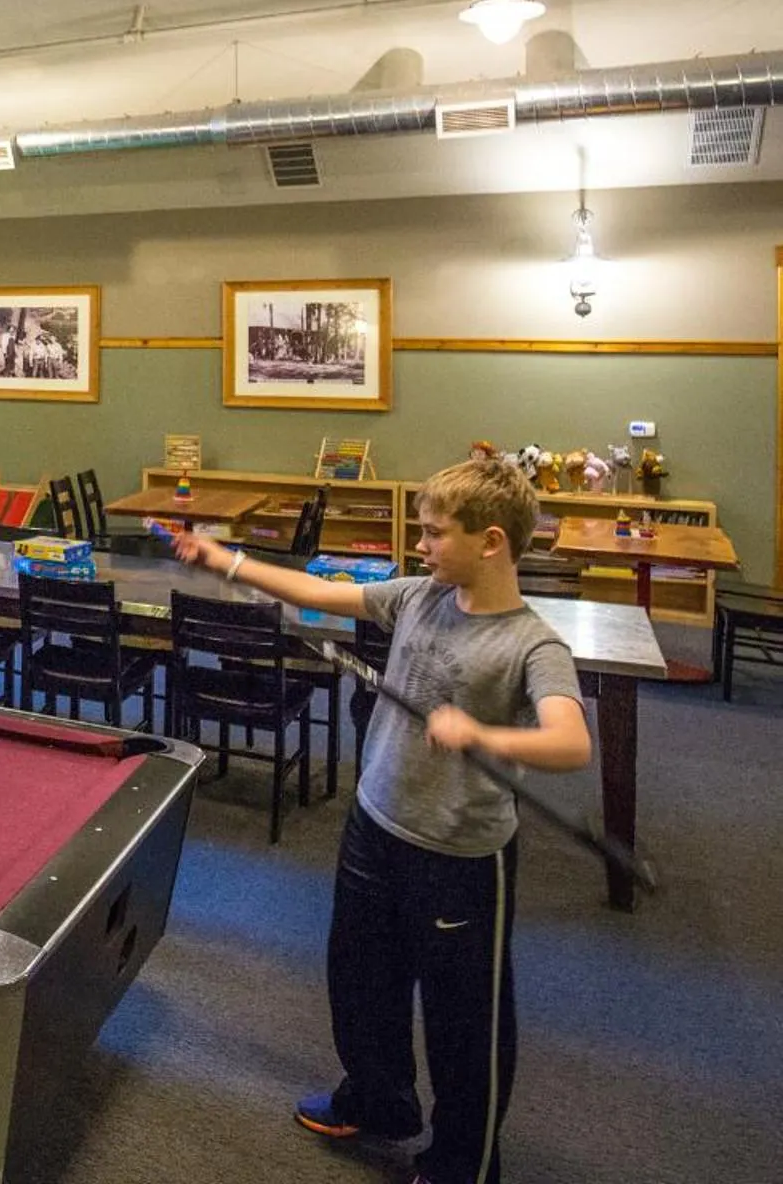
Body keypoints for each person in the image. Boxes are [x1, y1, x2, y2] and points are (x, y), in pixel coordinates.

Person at [163, 458, 591, 1184]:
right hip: (374, 825)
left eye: (433, 534)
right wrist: (227, 560)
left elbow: (570, 740)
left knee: (464, 1025)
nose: (420, 546)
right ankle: (380, 1100)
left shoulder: (531, 644)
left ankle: (464, 1163)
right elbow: (322, 591)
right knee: (360, 981)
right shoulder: (421, 597)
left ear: (491, 541)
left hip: (459, 857)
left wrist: (485, 735)